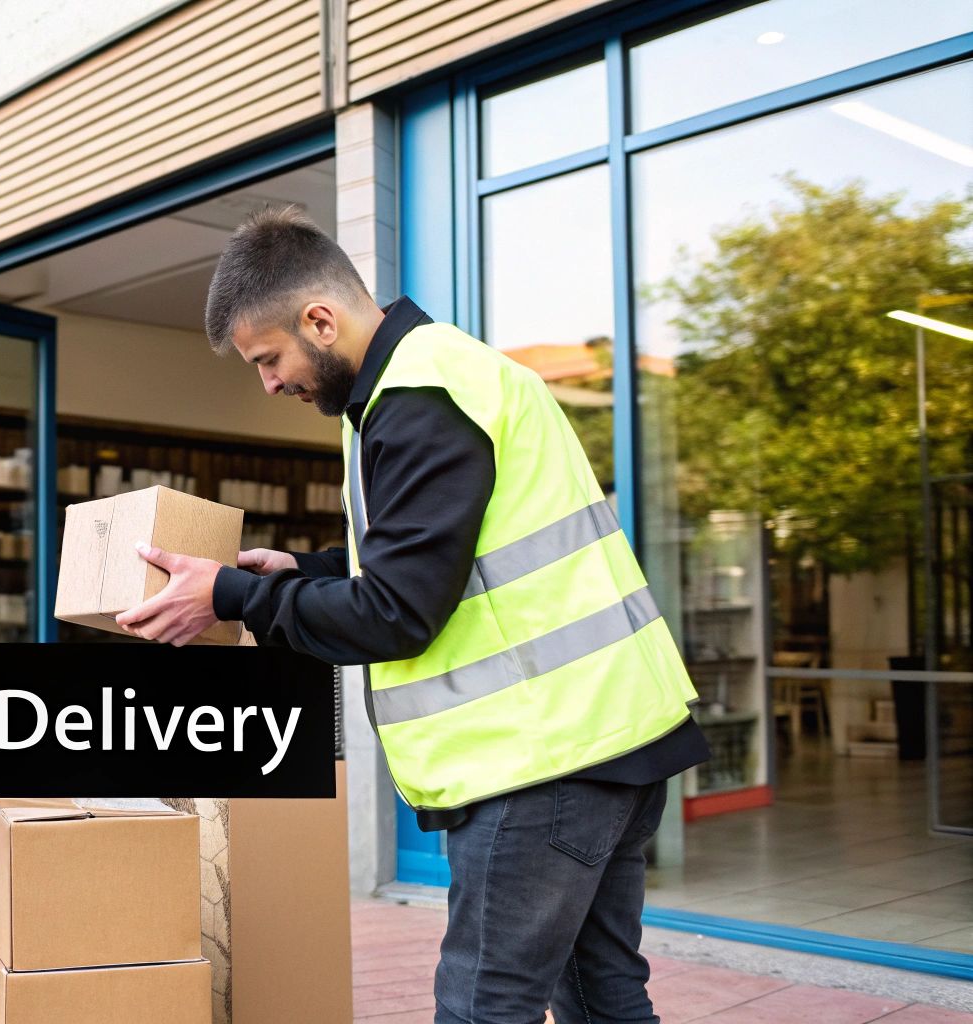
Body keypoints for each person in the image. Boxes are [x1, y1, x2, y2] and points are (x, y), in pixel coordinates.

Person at [114, 208, 709, 1024]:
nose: (270, 383)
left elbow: (395, 614)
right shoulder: (439, 376)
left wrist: (228, 596)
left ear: (320, 319)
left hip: (543, 765)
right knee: (604, 998)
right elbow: (440, 566)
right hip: (605, 742)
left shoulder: (419, 399)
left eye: (269, 358)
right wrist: (305, 569)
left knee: (480, 1008)